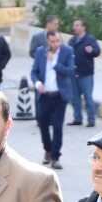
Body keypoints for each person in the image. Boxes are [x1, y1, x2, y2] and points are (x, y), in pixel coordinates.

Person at [31, 28, 76, 169]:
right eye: (52, 41)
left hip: (59, 96)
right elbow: (34, 72)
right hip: (44, 95)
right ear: (48, 41)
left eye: (58, 41)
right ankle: (48, 150)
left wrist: (55, 64)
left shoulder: (67, 51)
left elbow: (70, 71)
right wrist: (37, 84)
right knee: (43, 124)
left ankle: (55, 157)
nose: (56, 44)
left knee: (57, 126)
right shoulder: (40, 52)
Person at [65, 18, 101, 127]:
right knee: (74, 98)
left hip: (86, 74)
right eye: (74, 25)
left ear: (83, 27)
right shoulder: (72, 40)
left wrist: (92, 51)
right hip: (73, 73)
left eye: (77, 25)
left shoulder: (90, 39)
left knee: (88, 98)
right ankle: (77, 119)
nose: (74, 27)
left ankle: (91, 120)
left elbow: (97, 51)